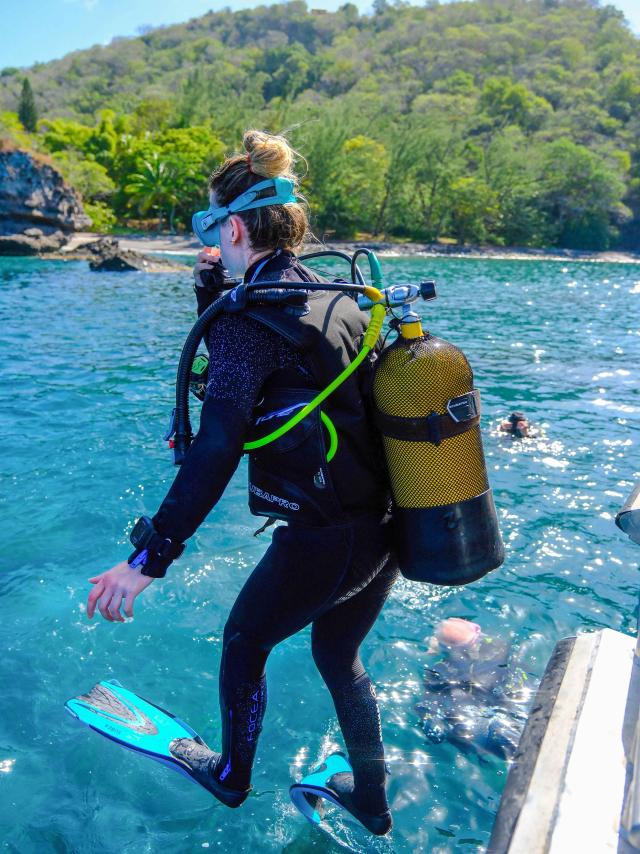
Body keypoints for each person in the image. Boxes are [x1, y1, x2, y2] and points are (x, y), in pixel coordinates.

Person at [85, 130, 398, 836]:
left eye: (210, 226)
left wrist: (148, 560)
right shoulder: (331, 295)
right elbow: (267, 379)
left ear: (233, 226)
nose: (211, 241)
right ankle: (371, 798)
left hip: (325, 539)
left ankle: (230, 776)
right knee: (335, 651)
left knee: (244, 643)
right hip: (386, 526)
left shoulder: (249, 321)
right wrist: (211, 288)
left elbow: (219, 446)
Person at [416, 618, 530, 760]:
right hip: (507, 703)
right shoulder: (499, 647)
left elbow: (428, 711)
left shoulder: (438, 671)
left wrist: (433, 652)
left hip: (475, 721)